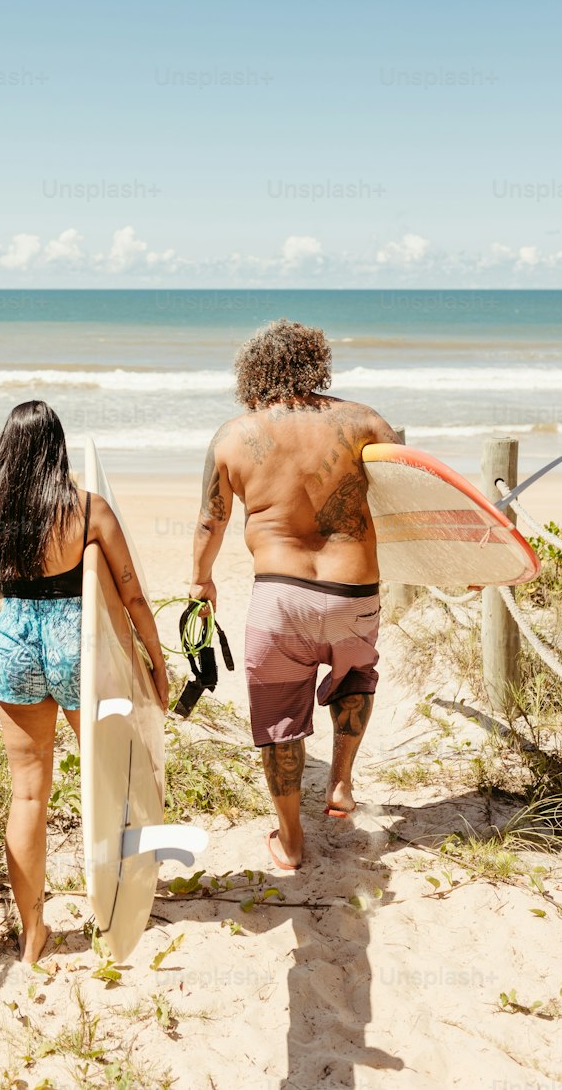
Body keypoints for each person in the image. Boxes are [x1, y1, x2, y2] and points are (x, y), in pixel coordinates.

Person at [0, 399, 169, 963]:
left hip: (14, 643)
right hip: (77, 645)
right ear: (56, 448)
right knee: (109, 780)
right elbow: (132, 595)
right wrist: (156, 662)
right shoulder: (87, 509)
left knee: (28, 793)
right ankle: (118, 900)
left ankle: (32, 934)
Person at [189, 320, 399, 871]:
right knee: (355, 677)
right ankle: (341, 783)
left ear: (251, 372)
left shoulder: (232, 437)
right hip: (355, 592)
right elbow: (414, 499)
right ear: (316, 363)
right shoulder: (365, 421)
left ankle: (291, 839)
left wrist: (200, 580)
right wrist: (461, 560)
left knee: (280, 719)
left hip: (280, 597)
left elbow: (211, 521)